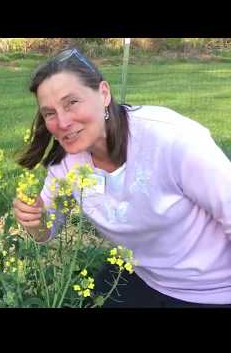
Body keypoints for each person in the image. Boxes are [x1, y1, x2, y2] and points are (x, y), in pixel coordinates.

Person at [12, 47, 231, 308]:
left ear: (103, 94)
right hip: (147, 278)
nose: (62, 122)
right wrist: (35, 221)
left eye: (71, 102)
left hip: (213, 289)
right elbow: (47, 229)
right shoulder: (66, 163)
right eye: (50, 113)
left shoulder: (171, 139)